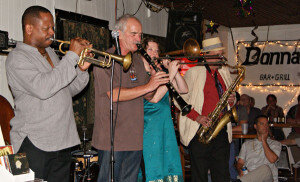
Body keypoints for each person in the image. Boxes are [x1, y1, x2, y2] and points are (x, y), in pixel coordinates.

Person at [5, 6, 91, 182]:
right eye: (46, 28)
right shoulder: (17, 57)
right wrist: (72, 57)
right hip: (34, 142)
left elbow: (67, 90)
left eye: (52, 27)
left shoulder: (51, 52)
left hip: (62, 141)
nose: (52, 32)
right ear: (29, 29)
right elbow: (44, 88)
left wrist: (81, 71)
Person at [92, 14, 169, 182]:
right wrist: (148, 86)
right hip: (112, 140)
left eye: (140, 35)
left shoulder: (138, 61)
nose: (138, 39)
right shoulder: (105, 59)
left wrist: (154, 81)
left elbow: (147, 96)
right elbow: (113, 94)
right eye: (133, 34)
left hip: (134, 138)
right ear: (118, 33)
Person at [178, 37, 235, 182]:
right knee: (199, 176)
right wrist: (197, 117)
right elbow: (179, 100)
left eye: (221, 54)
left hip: (221, 131)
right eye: (217, 54)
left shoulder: (224, 72)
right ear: (206, 55)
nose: (220, 57)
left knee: (222, 175)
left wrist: (233, 100)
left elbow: (231, 95)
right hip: (200, 130)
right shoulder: (194, 73)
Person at [138, 37, 187, 181]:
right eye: (150, 49)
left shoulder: (158, 72)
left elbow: (184, 89)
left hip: (165, 126)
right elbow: (154, 98)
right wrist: (170, 74)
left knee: (169, 165)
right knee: (154, 167)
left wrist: (174, 71)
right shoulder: (141, 74)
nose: (154, 53)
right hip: (150, 128)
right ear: (142, 52)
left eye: (157, 50)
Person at [236, 115, 282, 182]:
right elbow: (240, 163)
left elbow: (272, 159)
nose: (265, 126)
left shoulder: (275, 144)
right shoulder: (246, 144)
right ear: (255, 126)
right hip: (249, 176)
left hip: (267, 178)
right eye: (262, 124)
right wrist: (240, 169)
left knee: (265, 168)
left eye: (267, 124)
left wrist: (264, 141)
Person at [285, 95, 300, 164]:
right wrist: (294, 121)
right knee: (290, 140)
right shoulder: (294, 108)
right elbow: (287, 119)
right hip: (295, 133)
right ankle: (298, 163)